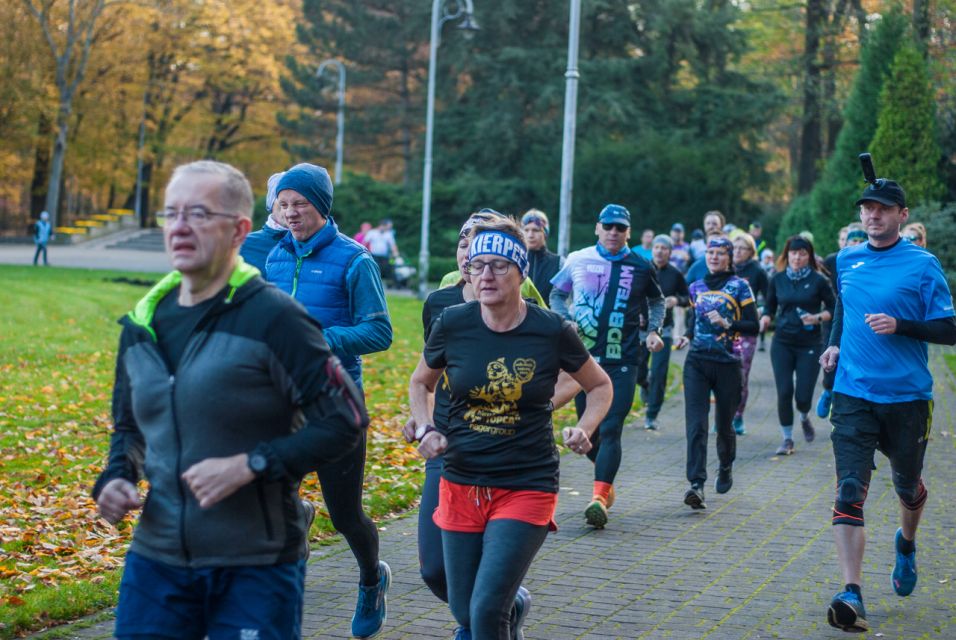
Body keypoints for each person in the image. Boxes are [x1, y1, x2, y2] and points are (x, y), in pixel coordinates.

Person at [92, 160, 369, 639]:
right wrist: (117, 475)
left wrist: (252, 464)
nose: (180, 226)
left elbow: (345, 419)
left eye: (199, 214)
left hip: (255, 566)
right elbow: (129, 427)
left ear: (240, 230)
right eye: (171, 213)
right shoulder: (142, 324)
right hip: (156, 560)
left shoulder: (280, 321)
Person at [408, 216, 612, 640]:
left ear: (521, 271)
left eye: (499, 265)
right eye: (477, 264)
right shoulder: (452, 322)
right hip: (461, 479)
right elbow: (420, 382)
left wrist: (584, 427)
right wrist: (426, 428)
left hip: (526, 482)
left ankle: (500, 611)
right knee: (465, 609)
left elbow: (599, 385)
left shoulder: (551, 329)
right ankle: (511, 606)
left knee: (483, 614)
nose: (485, 274)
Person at [819, 178, 955, 633]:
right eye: (867, 209)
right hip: (854, 393)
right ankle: (851, 592)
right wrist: (834, 345)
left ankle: (907, 543)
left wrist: (901, 325)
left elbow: (948, 329)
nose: (873, 216)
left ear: (901, 214)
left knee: (907, 487)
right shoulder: (848, 260)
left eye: (883, 209)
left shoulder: (923, 265)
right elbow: (845, 308)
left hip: (907, 399)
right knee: (848, 489)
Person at [265, 163, 393, 639]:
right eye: (284, 203)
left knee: (346, 516)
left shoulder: (355, 260)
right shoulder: (276, 258)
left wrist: (321, 339)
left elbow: (380, 331)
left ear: (321, 206)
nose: (291, 211)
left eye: (300, 203)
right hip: (281, 404)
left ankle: (370, 578)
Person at [550, 204, 665, 528]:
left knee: (612, 425)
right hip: (583, 362)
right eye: (609, 226)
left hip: (623, 360)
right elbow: (557, 294)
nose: (614, 233)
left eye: (620, 228)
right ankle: (606, 480)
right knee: (590, 432)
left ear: (628, 231)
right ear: (598, 228)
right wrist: (565, 319)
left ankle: (599, 498)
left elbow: (657, 301)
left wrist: (653, 330)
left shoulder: (641, 266)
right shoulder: (578, 259)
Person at [675, 237, 758, 509]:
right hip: (697, 362)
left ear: (729, 257)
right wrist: (686, 336)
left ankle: (725, 465)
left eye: (720, 253)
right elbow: (695, 319)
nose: (713, 257)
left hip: (728, 364)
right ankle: (696, 484)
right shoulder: (695, 286)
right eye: (710, 253)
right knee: (696, 425)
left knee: (723, 425)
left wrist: (728, 323)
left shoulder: (740, 286)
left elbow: (754, 326)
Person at [759, 235, 835, 455]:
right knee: (784, 391)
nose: (797, 257)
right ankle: (787, 439)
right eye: (793, 253)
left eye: (802, 253)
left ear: (809, 256)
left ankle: (803, 416)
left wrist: (818, 317)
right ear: (787, 254)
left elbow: (834, 309)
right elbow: (770, 306)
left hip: (809, 343)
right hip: (782, 341)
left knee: (802, 395)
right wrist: (765, 317)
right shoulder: (778, 279)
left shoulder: (819, 280)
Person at [638, 234, 689, 431]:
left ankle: (652, 415)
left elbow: (687, 297)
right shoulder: (642, 269)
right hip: (639, 329)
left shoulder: (675, 274)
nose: (660, 251)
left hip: (663, 330)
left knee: (660, 372)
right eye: (657, 247)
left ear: (670, 252)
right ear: (652, 249)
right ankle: (644, 383)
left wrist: (677, 300)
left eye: (664, 248)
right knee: (637, 370)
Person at [817, 225, 866, 418]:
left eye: (860, 240)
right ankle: (828, 390)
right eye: (853, 240)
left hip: (858, 316)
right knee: (829, 352)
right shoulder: (834, 259)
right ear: (845, 243)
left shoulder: (871, 261)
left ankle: (845, 398)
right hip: (834, 315)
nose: (856, 244)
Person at [731, 233, 769, 436]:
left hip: (747, 329)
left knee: (741, 375)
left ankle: (737, 415)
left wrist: (763, 311)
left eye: (742, 248)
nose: (737, 251)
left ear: (751, 252)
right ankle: (723, 415)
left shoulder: (757, 271)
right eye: (734, 247)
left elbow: (770, 294)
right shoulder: (727, 269)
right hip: (725, 329)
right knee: (723, 375)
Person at [239, 171, 288, 271]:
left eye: (300, 202)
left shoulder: (322, 245)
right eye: (283, 200)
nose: (291, 208)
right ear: (271, 203)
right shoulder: (242, 246)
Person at [521, 209, 562, 303]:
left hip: (548, 315)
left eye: (536, 230)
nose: (530, 235)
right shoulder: (515, 261)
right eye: (526, 230)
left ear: (545, 233)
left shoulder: (559, 263)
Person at [364, 218, 400, 284]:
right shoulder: (372, 232)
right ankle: (373, 283)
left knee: (387, 268)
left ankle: (387, 283)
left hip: (384, 256)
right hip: (374, 255)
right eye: (387, 227)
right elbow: (365, 243)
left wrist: (395, 252)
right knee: (374, 269)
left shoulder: (388, 234)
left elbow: (393, 245)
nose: (388, 228)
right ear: (382, 225)